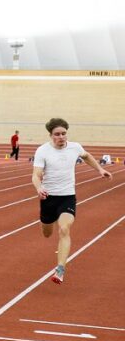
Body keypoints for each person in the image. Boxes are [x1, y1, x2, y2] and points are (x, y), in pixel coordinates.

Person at [32, 118, 112, 284]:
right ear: (50, 135)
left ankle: (60, 268)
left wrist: (100, 169)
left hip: (67, 196)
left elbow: (87, 156)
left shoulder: (75, 147)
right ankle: (47, 221)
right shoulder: (43, 151)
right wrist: (39, 188)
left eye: (64, 133)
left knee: (64, 228)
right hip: (48, 197)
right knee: (47, 233)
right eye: (57, 134)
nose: (61, 137)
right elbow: (36, 175)